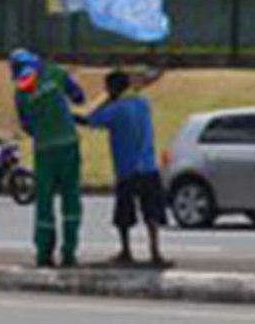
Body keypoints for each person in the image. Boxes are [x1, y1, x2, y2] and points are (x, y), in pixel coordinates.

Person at [76, 66, 169, 267]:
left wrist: (102, 102)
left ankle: (126, 251)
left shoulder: (114, 110)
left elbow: (90, 119)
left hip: (126, 168)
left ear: (112, 89)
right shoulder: (143, 104)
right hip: (148, 166)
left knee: (124, 214)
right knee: (152, 212)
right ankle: (155, 251)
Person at [9, 48, 86, 268]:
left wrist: (43, 129)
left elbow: (26, 126)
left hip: (44, 150)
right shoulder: (55, 72)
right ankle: (69, 253)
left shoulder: (21, 93)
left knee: (44, 202)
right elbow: (78, 96)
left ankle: (44, 254)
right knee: (70, 198)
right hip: (68, 145)